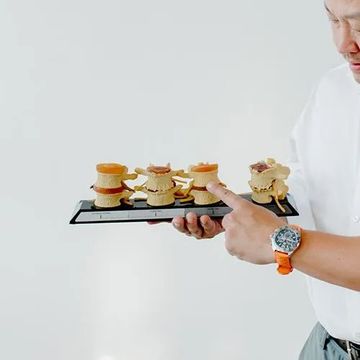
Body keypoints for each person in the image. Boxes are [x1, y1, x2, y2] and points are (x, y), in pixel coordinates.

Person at [168, 0, 360, 358]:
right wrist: (238, 214)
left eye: (359, 25)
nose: (343, 43)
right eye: (333, 21)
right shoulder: (331, 91)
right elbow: (310, 191)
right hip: (327, 347)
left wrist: (276, 239)